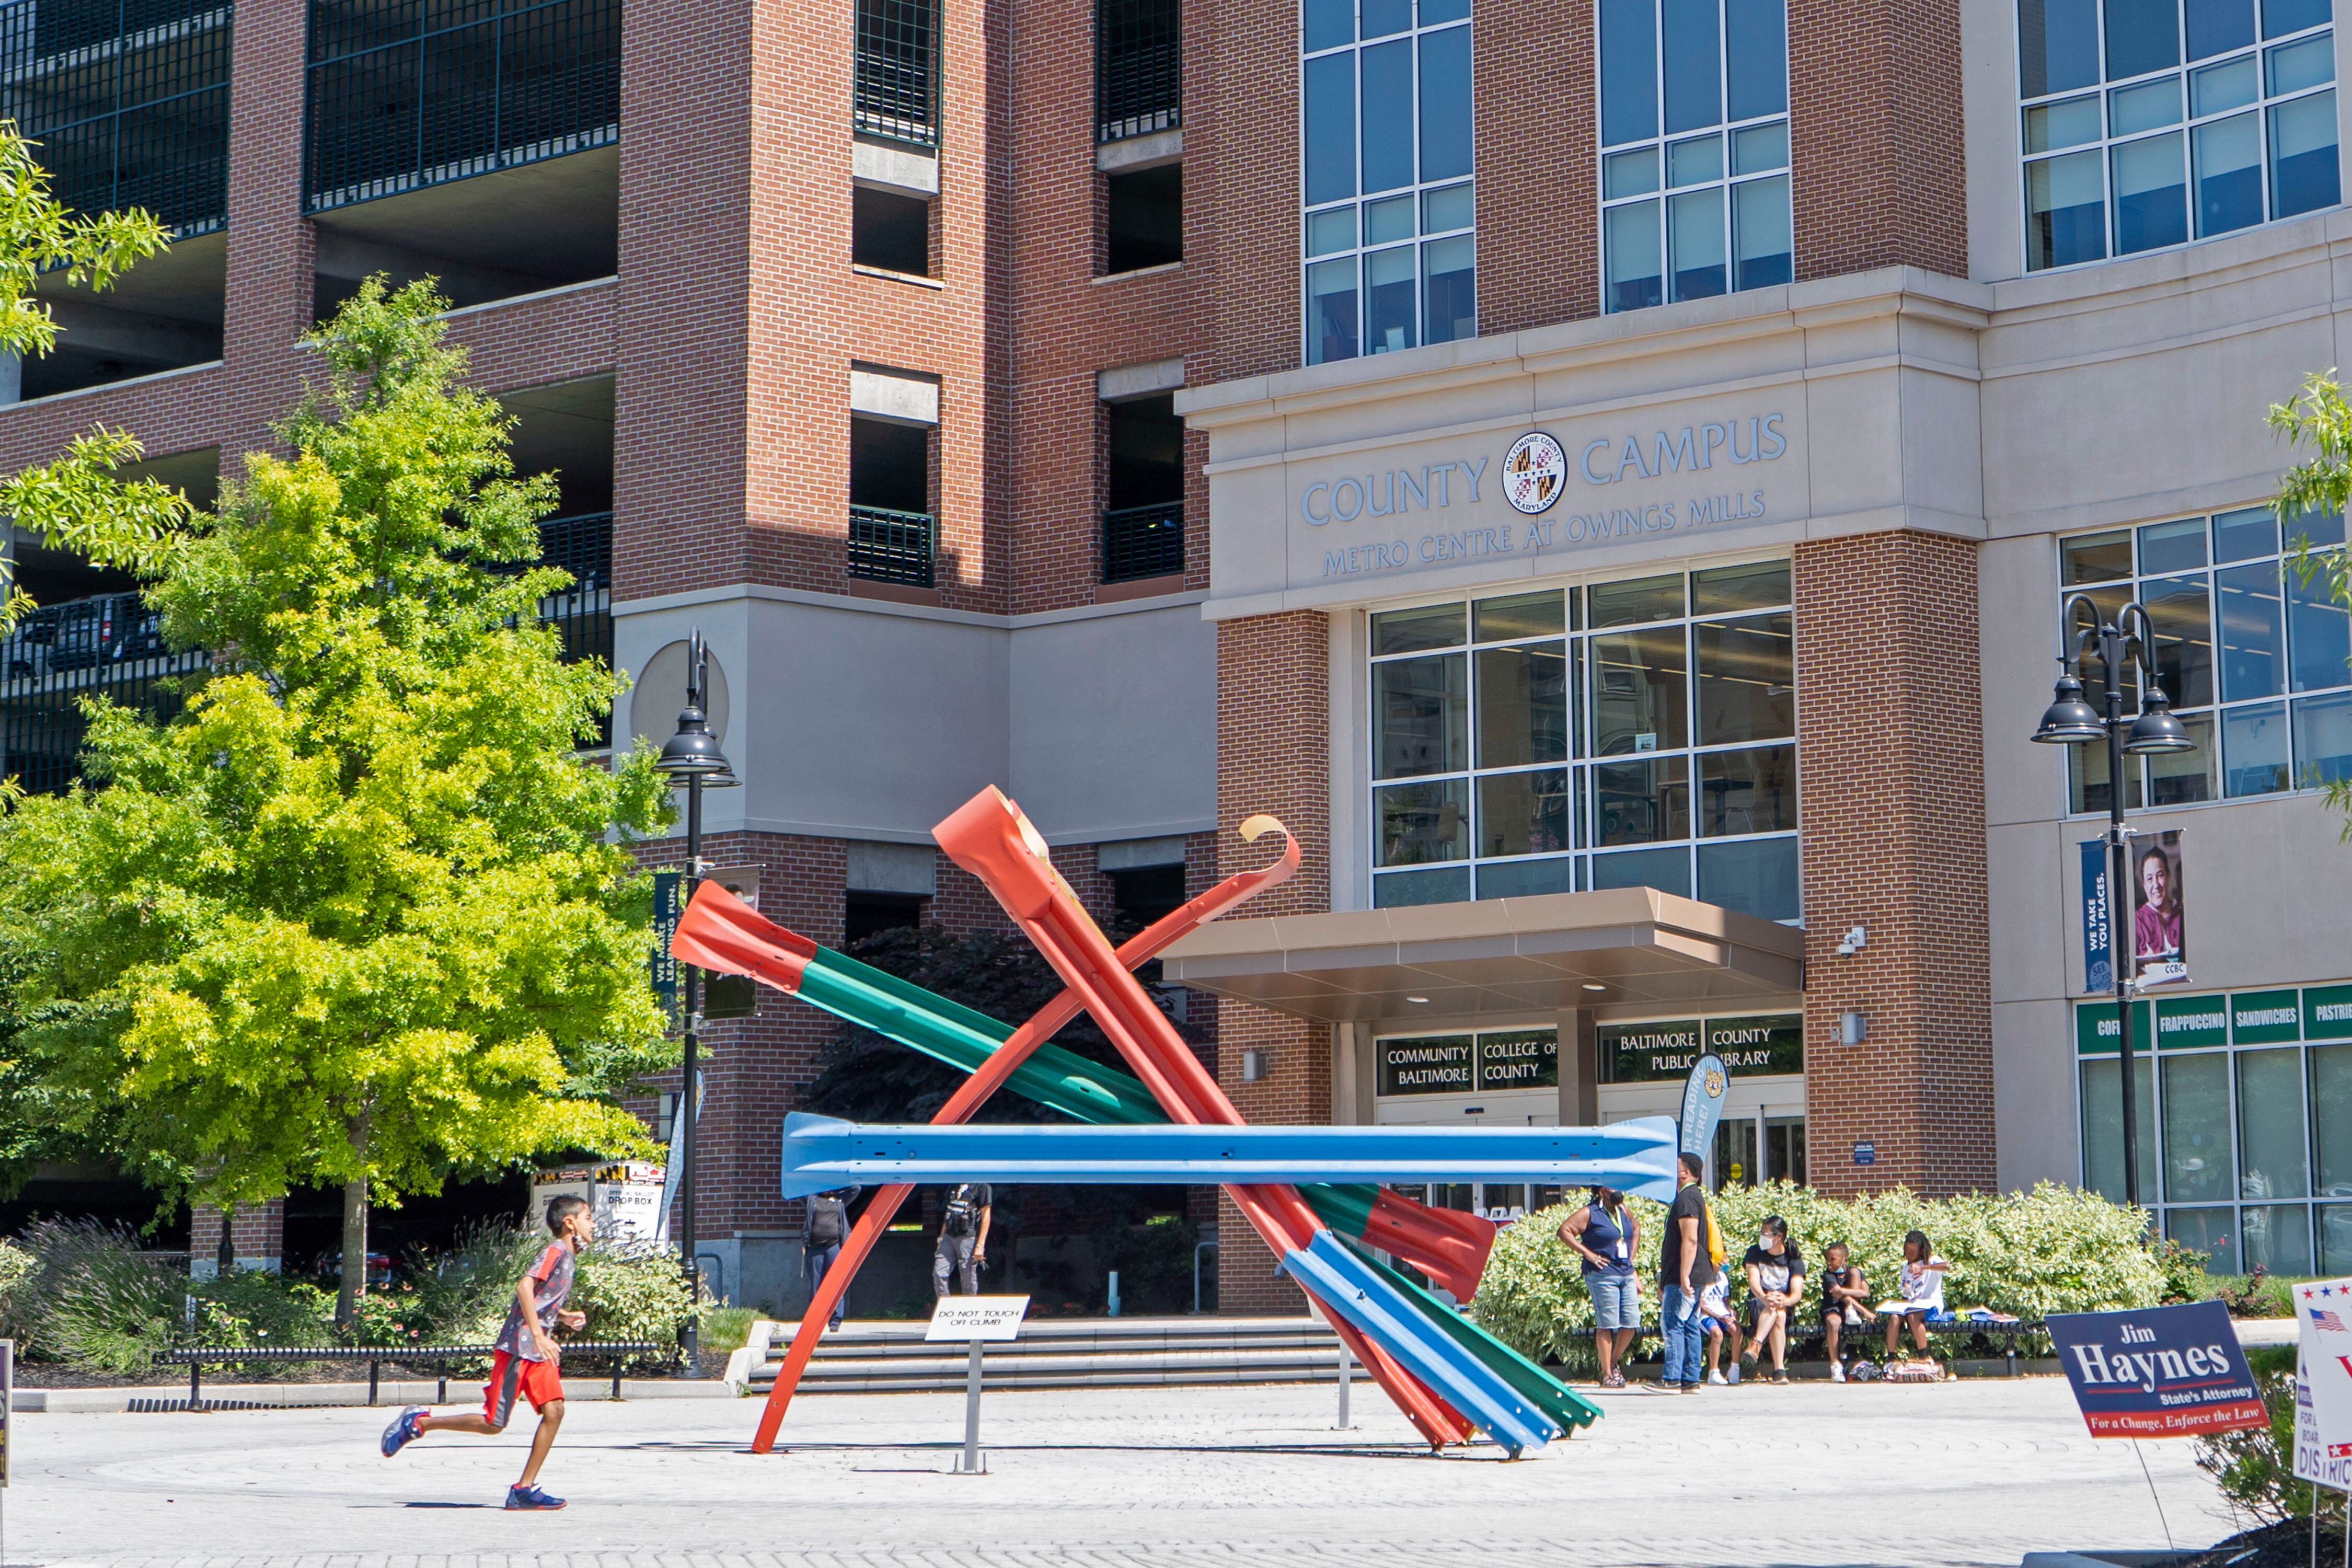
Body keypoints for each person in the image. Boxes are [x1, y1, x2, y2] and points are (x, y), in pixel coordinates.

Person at [379, 1194, 591, 1511]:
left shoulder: (568, 1255)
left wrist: (562, 1316)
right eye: (588, 1217)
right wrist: (538, 1334)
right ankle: (420, 1423)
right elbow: (524, 1288)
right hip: (519, 1348)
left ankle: (523, 1490)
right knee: (494, 1423)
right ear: (570, 1223)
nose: (592, 1224)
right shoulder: (555, 1250)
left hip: (538, 1351)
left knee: (555, 1411)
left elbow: (540, 1299)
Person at [1557, 1184, 1640, 1388]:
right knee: (1607, 1324)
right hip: (1602, 1275)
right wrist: (1588, 1253)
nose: (1617, 1190)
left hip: (1626, 1273)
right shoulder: (1590, 1212)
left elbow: (1636, 1228)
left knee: (1631, 1323)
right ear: (1602, 1190)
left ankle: (1613, 1362)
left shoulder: (1623, 1210)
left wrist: (1632, 1257)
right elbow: (1564, 1230)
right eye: (1612, 1186)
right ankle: (1607, 1374)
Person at [1650, 1150, 1718, 1393]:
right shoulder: (1693, 1197)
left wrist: (1684, 1275)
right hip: (1694, 1272)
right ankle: (1691, 1380)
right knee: (1689, 1323)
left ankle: (1672, 1378)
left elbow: (1689, 1240)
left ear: (1686, 1173)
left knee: (1673, 1323)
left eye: (1675, 1166)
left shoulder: (1687, 1199)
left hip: (1686, 1274)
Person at [1739, 1215, 1805, 1384]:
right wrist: (1765, 1297)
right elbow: (1754, 1282)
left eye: (1767, 1234)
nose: (1763, 1236)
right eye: (1762, 1232)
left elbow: (1797, 1293)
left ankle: (1756, 1345)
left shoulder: (1793, 1259)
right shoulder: (1754, 1252)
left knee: (1781, 1313)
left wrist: (1784, 1301)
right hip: (1758, 1304)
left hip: (1783, 1305)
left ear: (1779, 1237)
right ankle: (1779, 1370)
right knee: (1778, 1313)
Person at [1880, 1228, 1951, 1362]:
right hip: (1913, 1304)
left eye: (1912, 1253)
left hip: (1931, 1306)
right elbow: (1907, 1293)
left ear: (1921, 1251)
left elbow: (1946, 1267)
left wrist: (1923, 1268)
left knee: (1913, 1317)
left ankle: (1923, 1356)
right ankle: (1891, 1359)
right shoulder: (1907, 1268)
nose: (1908, 1255)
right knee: (1895, 1318)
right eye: (1906, 1252)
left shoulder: (1932, 1261)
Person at [804, 1184, 862, 1332]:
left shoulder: (840, 1200)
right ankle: (816, 1319)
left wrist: (838, 1182)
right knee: (815, 1284)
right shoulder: (812, 1199)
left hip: (834, 1246)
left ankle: (835, 1319)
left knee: (835, 1281)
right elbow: (798, 1191)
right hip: (815, 1247)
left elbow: (856, 1188)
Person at [1815, 1240, 1873, 1381]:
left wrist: (1842, 1290)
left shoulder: (1854, 1272)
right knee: (1834, 1323)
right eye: (1827, 1259)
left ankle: (1851, 1311)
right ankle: (1835, 1364)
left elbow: (1865, 1293)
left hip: (1851, 1306)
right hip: (1833, 1307)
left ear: (1844, 1260)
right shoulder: (1828, 1276)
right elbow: (1841, 1297)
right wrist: (1865, 1312)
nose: (1829, 1263)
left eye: (1833, 1259)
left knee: (1855, 1273)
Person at [932, 1181, 992, 1297]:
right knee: (939, 1272)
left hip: (968, 1237)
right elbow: (949, 1213)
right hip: (949, 1236)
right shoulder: (954, 1184)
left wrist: (980, 1245)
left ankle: (969, 1309)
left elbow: (986, 1216)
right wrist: (941, 1238)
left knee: (967, 1276)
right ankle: (946, 1306)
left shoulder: (983, 1186)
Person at [2134, 845, 2183, 959]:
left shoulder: (2184, 913)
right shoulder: (2137, 921)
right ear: (2144, 885)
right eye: (2150, 879)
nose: (2156, 885)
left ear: (2168, 875)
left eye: (2160, 876)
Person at [1699, 1273, 1746, 1385]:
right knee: (1717, 1334)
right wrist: (1719, 1317)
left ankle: (1735, 1369)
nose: (1726, 1261)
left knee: (1737, 1331)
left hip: (1723, 1314)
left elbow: (1725, 1301)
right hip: (1705, 1315)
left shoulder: (1723, 1277)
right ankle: (1713, 1372)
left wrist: (1731, 1311)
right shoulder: (1703, 1276)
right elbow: (1701, 1304)